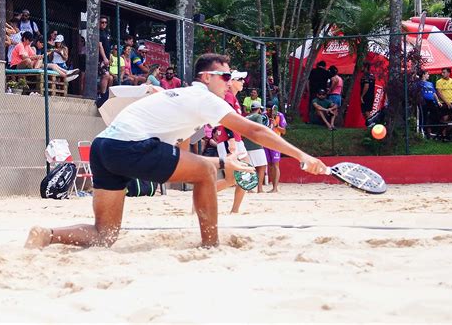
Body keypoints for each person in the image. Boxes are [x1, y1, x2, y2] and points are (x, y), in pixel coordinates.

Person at [25, 53, 327, 250]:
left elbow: (180, 158)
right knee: (207, 171)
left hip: (103, 147)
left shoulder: (183, 98)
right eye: (225, 76)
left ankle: (46, 234)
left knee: (105, 235)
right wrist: (303, 156)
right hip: (129, 146)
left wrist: (221, 162)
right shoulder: (203, 98)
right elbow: (256, 131)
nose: (230, 82)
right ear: (206, 77)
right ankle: (211, 246)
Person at [216, 70, 250, 213]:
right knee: (236, 178)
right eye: (240, 79)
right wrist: (231, 139)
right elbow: (226, 118)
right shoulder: (228, 96)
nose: (243, 82)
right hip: (229, 140)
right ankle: (200, 195)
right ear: (232, 82)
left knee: (244, 177)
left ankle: (235, 210)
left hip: (236, 140)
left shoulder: (234, 98)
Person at [243, 101, 267, 193]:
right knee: (262, 166)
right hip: (256, 144)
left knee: (249, 167)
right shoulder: (258, 116)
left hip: (246, 144)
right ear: (259, 109)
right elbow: (259, 129)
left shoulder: (245, 117)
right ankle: (260, 188)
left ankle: (249, 188)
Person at [263, 101, 287, 193]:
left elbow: (284, 131)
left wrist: (276, 125)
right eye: (267, 109)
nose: (268, 111)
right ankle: (273, 186)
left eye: (270, 109)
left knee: (276, 165)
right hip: (266, 141)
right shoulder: (264, 115)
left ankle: (275, 188)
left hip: (276, 142)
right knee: (270, 165)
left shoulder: (279, 115)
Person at [436, 68, 452, 141]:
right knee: (444, 119)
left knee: (451, 118)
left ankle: (448, 135)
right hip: (444, 103)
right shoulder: (439, 82)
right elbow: (439, 93)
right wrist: (447, 102)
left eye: (444, 72)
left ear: (449, 73)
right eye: (442, 72)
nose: (442, 74)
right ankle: (442, 135)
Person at [417, 70, 441, 139]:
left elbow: (434, 93)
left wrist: (438, 101)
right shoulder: (419, 83)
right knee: (423, 115)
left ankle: (432, 130)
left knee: (435, 114)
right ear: (423, 75)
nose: (428, 75)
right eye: (427, 74)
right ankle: (422, 131)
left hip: (431, 101)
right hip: (423, 101)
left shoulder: (430, 83)